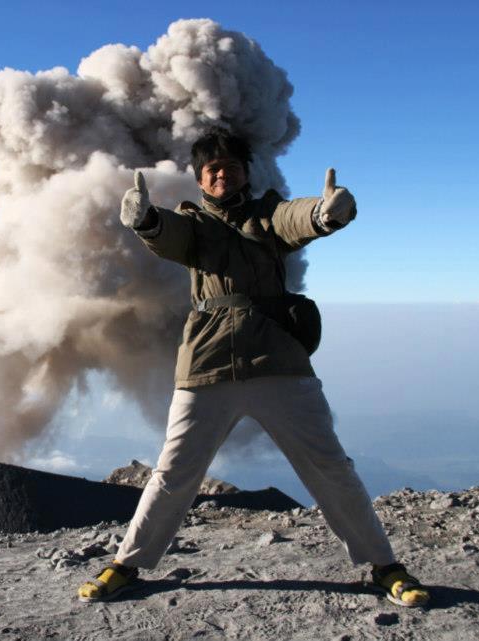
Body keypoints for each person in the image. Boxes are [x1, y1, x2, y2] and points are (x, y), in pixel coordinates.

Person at [77, 128, 429, 608]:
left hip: (278, 362)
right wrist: (146, 221)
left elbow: (296, 219)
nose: (223, 174)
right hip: (207, 366)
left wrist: (327, 214)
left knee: (330, 467)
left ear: (247, 173)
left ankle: (384, 567)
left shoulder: (268, 215)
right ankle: (126, 565)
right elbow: (171, 235)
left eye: (232, 166)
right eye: (212, 169)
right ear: (201, 179)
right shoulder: (193, 223)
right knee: (173, 473)